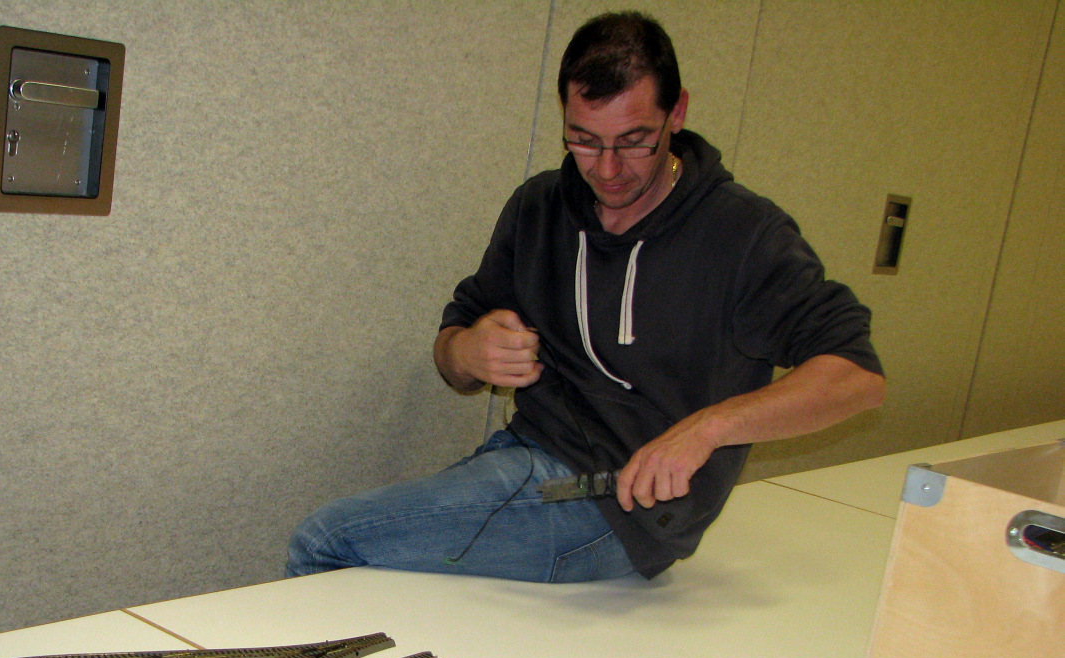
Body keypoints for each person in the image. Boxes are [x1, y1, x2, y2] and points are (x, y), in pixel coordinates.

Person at [287, 10, 884, 583]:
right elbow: (455, 345)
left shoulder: (743, 234)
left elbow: (857, 376)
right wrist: (467, 351)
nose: (608, 169)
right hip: (531, 463)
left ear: (677, 113)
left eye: (634, 141)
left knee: (326, 541)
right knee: (381, 571)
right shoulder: (541, 206)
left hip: (621, 507)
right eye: (584, 141)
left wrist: (708, 428)